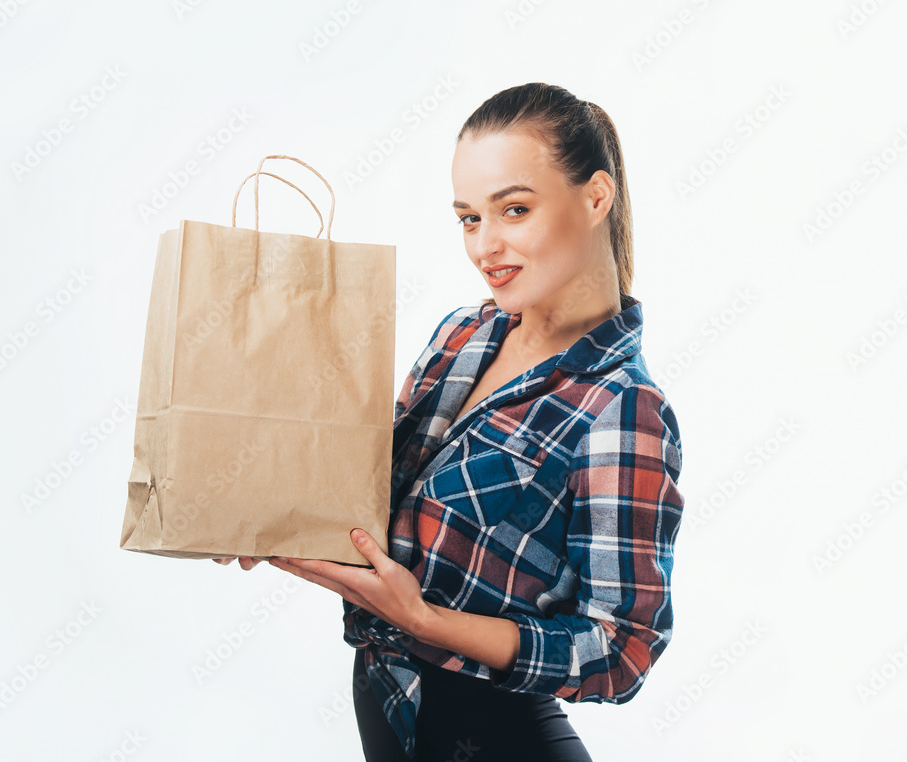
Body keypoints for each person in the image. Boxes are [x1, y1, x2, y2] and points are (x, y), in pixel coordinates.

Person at [214, 82, 685, 761]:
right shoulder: (463, 336)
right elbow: (381, 500)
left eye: (514, 210)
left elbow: (623, 652)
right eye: (468, 219)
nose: (484, 246)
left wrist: (423, 619)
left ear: (595, 198)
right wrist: (273, 514)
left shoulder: (622, 408)